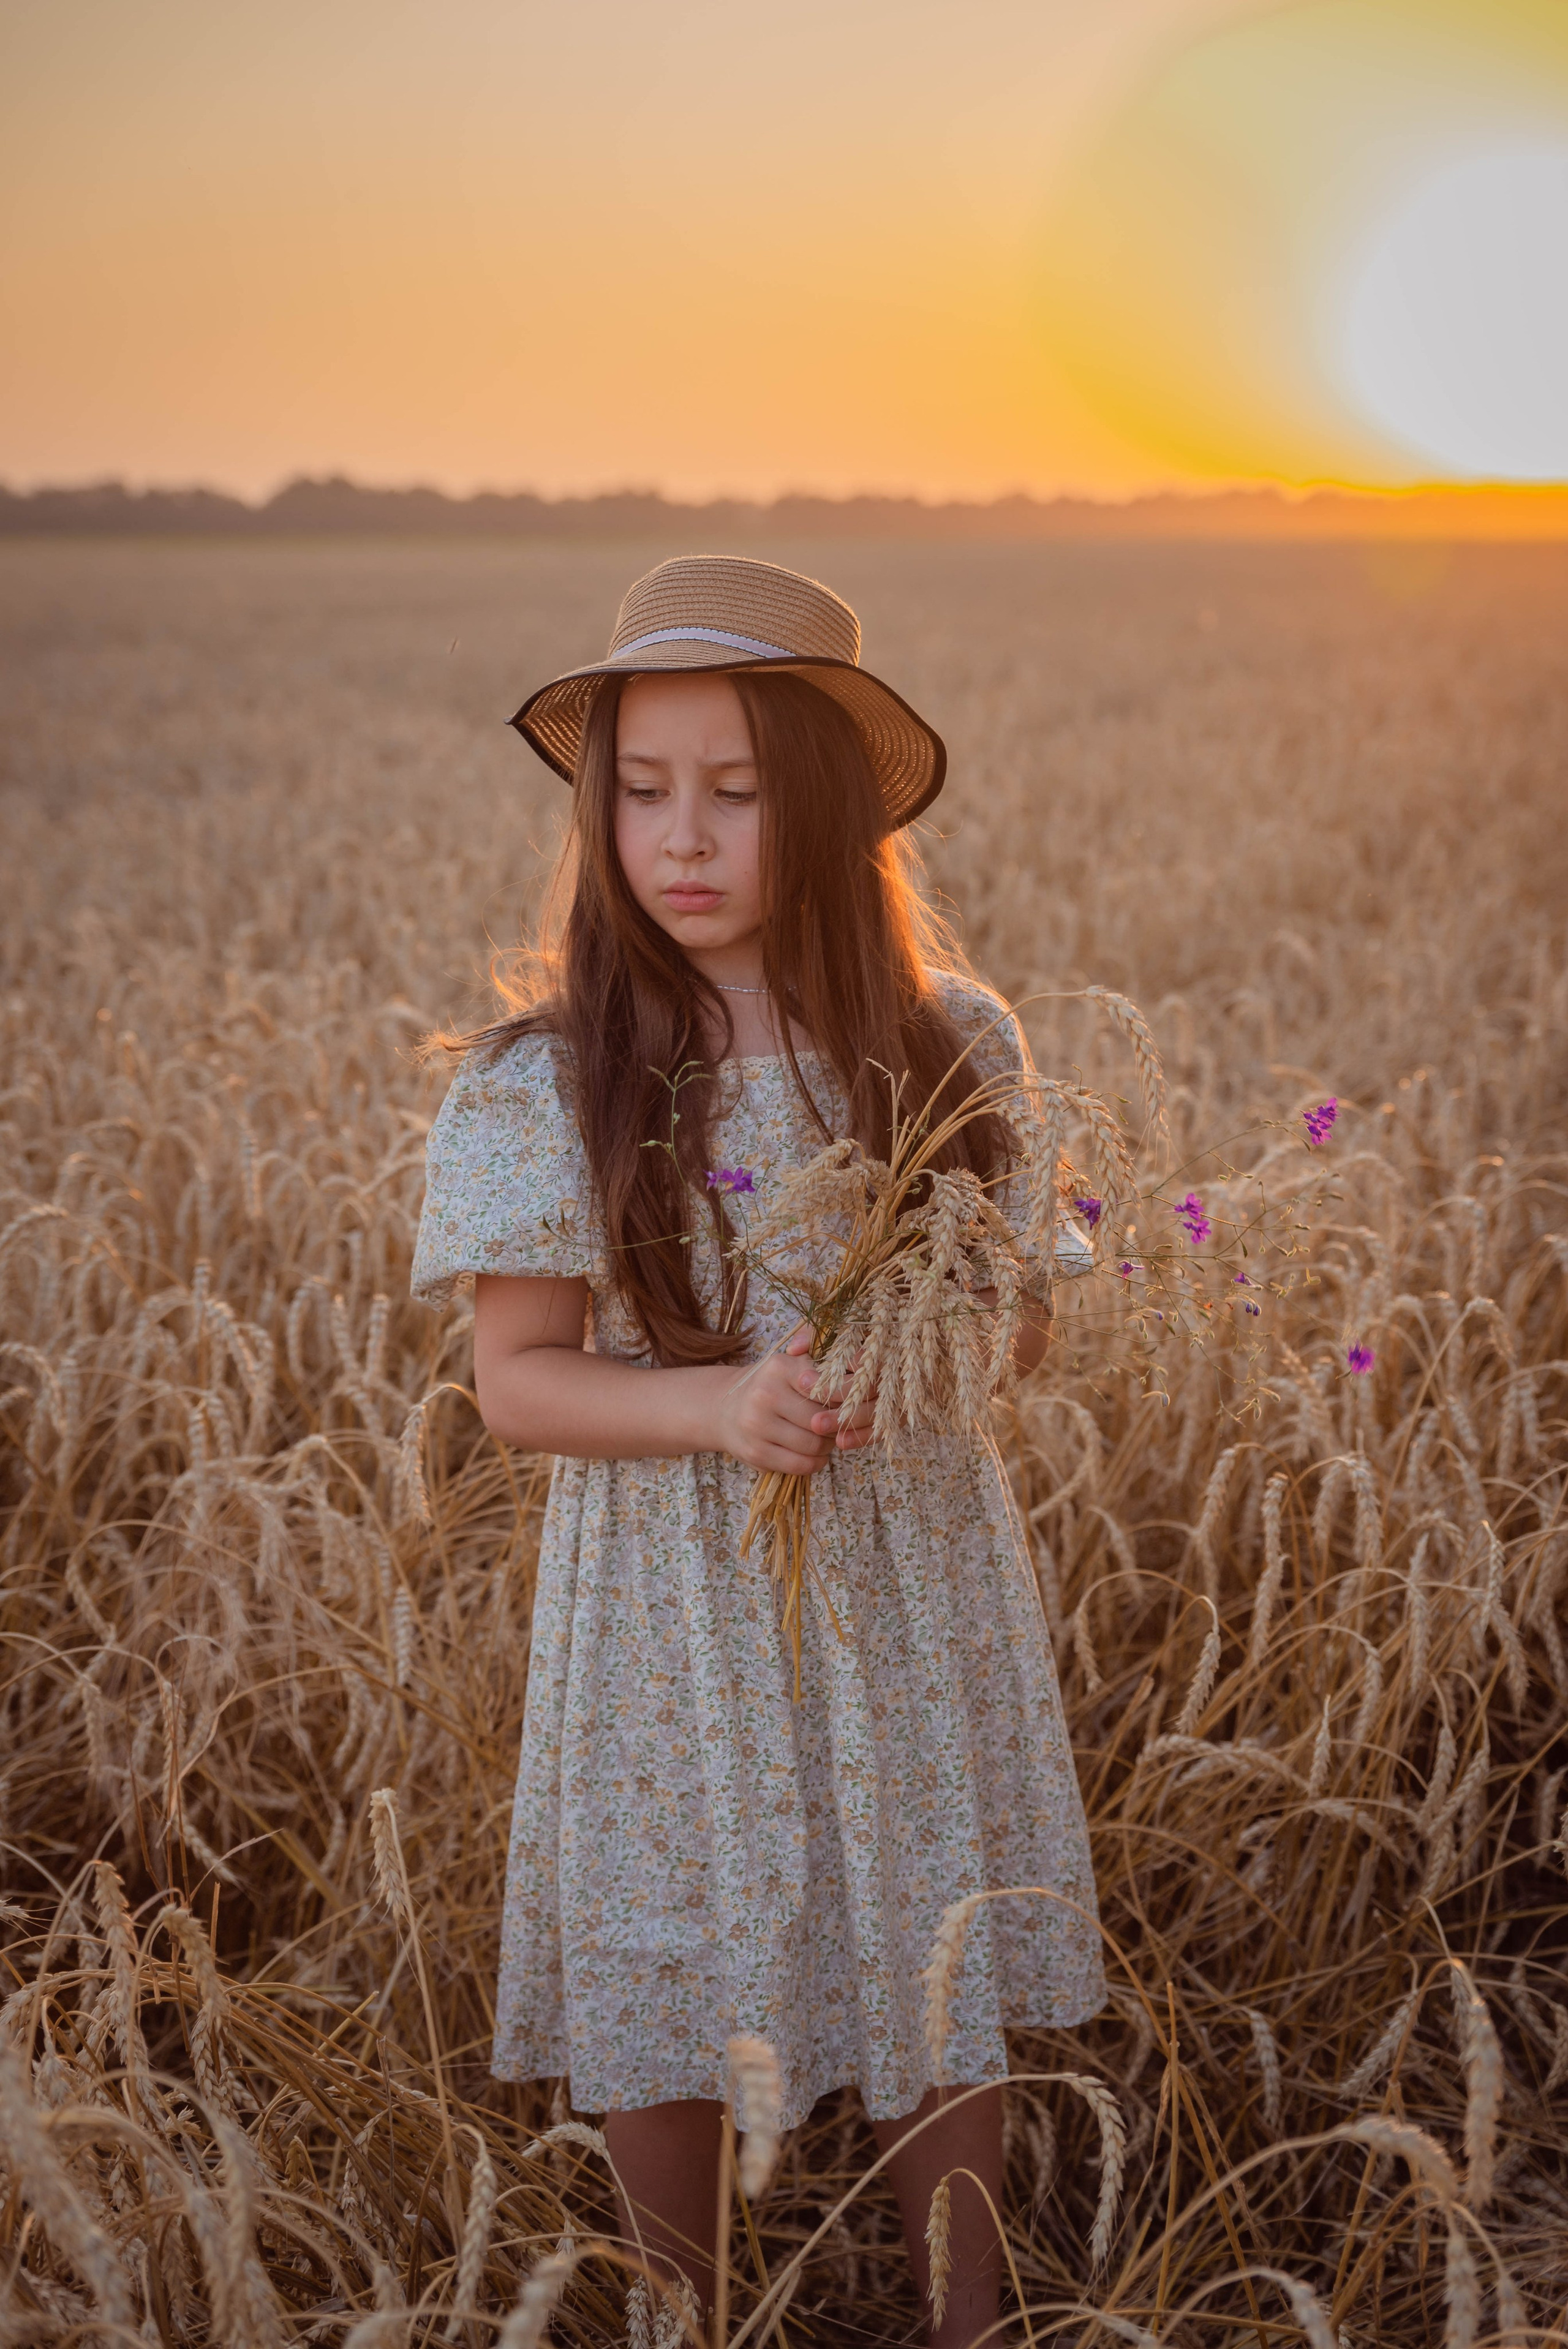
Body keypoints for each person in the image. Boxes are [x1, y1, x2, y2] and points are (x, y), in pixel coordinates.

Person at [412, 556, 1104, 2343]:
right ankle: (680, 2312)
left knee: (924, 1940)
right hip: (662, 1603)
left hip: (900, 1575)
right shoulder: (546, 1076)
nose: (682, 836)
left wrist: (921, 1340)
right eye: (642, 791)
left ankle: (975, 2312)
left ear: (826, 806)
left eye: (732, 791)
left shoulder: (951, 1050)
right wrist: (717, 1407)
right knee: (666, 1939)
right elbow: (524, 1381)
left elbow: (1019, 1316)